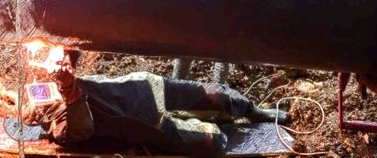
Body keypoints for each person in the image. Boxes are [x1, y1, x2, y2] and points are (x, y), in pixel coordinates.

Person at [21, 50, 288, 158]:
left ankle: (253, 111)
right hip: (150, 124)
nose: (44, 90)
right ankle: (213, 121)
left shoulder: (64, 80)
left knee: (216, 96)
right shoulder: (61, 126)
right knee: (214, 142)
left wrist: (62, 52)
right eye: (39, 97)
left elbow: (73, 50)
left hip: (147, 87)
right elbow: (83, 127)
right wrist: (69, 92)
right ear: (41, 114)